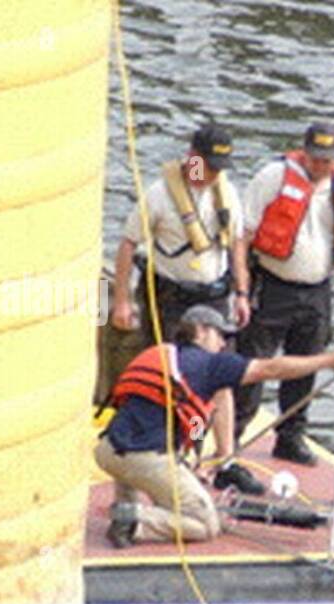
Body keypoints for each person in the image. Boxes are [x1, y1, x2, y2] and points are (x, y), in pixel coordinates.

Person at [95, 305, 334, 548]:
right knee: (205, 523)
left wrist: (195, 459)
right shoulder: (211, 365)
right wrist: (329, 361)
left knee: (150, 471)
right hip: (144, 459)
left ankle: (126, 504)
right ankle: (134, 521)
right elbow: (271, 369)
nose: (223, 343)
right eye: (220, 335)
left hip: (108, 451)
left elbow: (188, 420)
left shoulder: (162, 355)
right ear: (200, 331)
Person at [234, 121, 334, 465]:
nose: (319, 166)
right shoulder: (273, 176)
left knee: (306, 363)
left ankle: (291, 436)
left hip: (317, 291)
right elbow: (242, 236)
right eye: (314, 158)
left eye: (326, 160)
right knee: (254, 363)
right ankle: (233, 434)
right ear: (304, 152)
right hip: (272, 284)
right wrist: (240, 289)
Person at [99, 122, 252, 398]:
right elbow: (128, 243)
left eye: (218, 168)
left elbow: (237, 242)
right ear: (193, 156)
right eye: (208, 166)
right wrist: (122, 300)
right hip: (170, 298)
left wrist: (242, 293)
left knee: (218, 372)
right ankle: (168, 431)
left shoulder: (226, 194)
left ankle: (203, 434)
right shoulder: (159, 195)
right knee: (170, 371)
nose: (212, 174)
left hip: (214, 294)